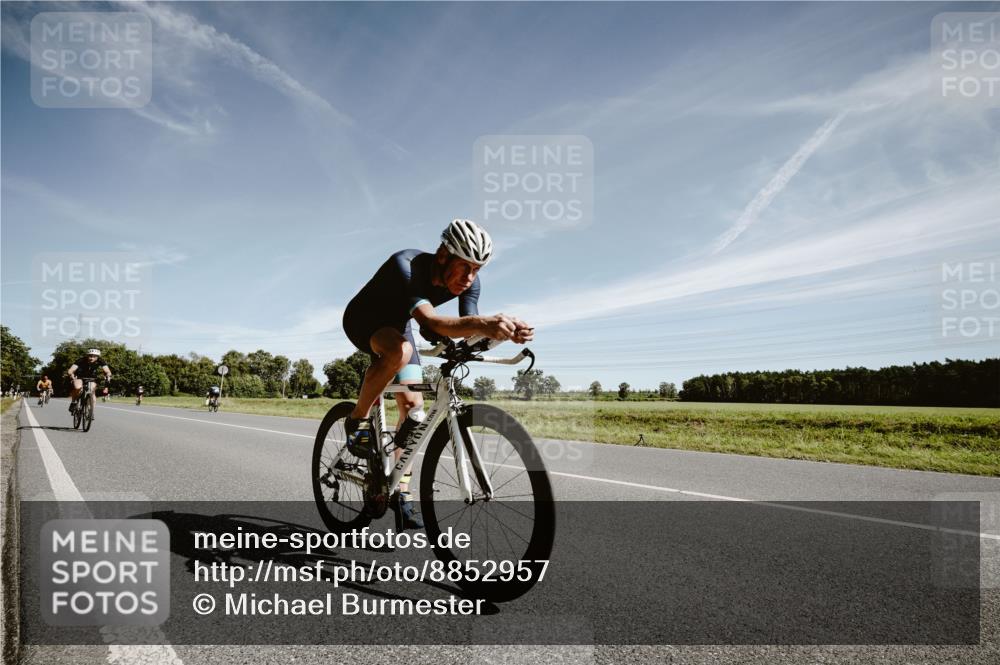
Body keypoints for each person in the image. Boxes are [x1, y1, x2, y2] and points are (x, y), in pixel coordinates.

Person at [341, 219, 533, 528]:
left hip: (400, 326)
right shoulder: (407, 265)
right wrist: (485, 323)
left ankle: (400, 492)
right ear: (443, 255)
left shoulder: (470, 282)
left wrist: (504, 332)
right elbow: (432, 322)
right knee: (399, 351)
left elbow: (466, 326)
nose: (469, 278)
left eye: (477, 270)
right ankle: (357, 419)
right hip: (364, 317)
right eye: (464, 267)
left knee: (412, 409)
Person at [67, 349, 112, 415]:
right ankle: (74, 402)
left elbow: (108, 371)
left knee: (91, 390)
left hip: (92, 378)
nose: (92, 358)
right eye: (90, 356)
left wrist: (108, 375)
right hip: (80, 376)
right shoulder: (81, 360)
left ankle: (91, 411)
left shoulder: (100, 361)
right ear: (87, 356)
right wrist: (72, 376)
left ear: (97, 357)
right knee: (77, 387)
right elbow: (70, 370)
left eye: (94, 356)